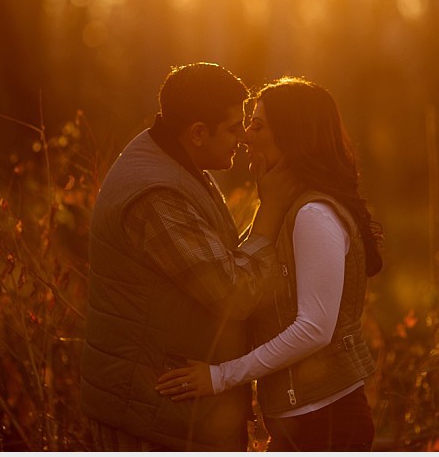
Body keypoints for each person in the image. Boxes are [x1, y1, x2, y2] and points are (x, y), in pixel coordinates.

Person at [156, 76, 384, 451]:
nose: (245, 136)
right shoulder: (289, 210)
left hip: (325, 423)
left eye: (257, 125)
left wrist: (221, 377)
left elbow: (315, 328)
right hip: (303, 419)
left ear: (291, 136)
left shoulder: (313, 214)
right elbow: (241, 271)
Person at [81, 63, 297, 451]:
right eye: (234, 128)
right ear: (198, 133)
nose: (244, 138)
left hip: (169, 412)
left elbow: (219, 260)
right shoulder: (157, 197)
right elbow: (234, 292)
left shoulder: (175, 162)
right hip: (154, 421)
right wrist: (271, 212)